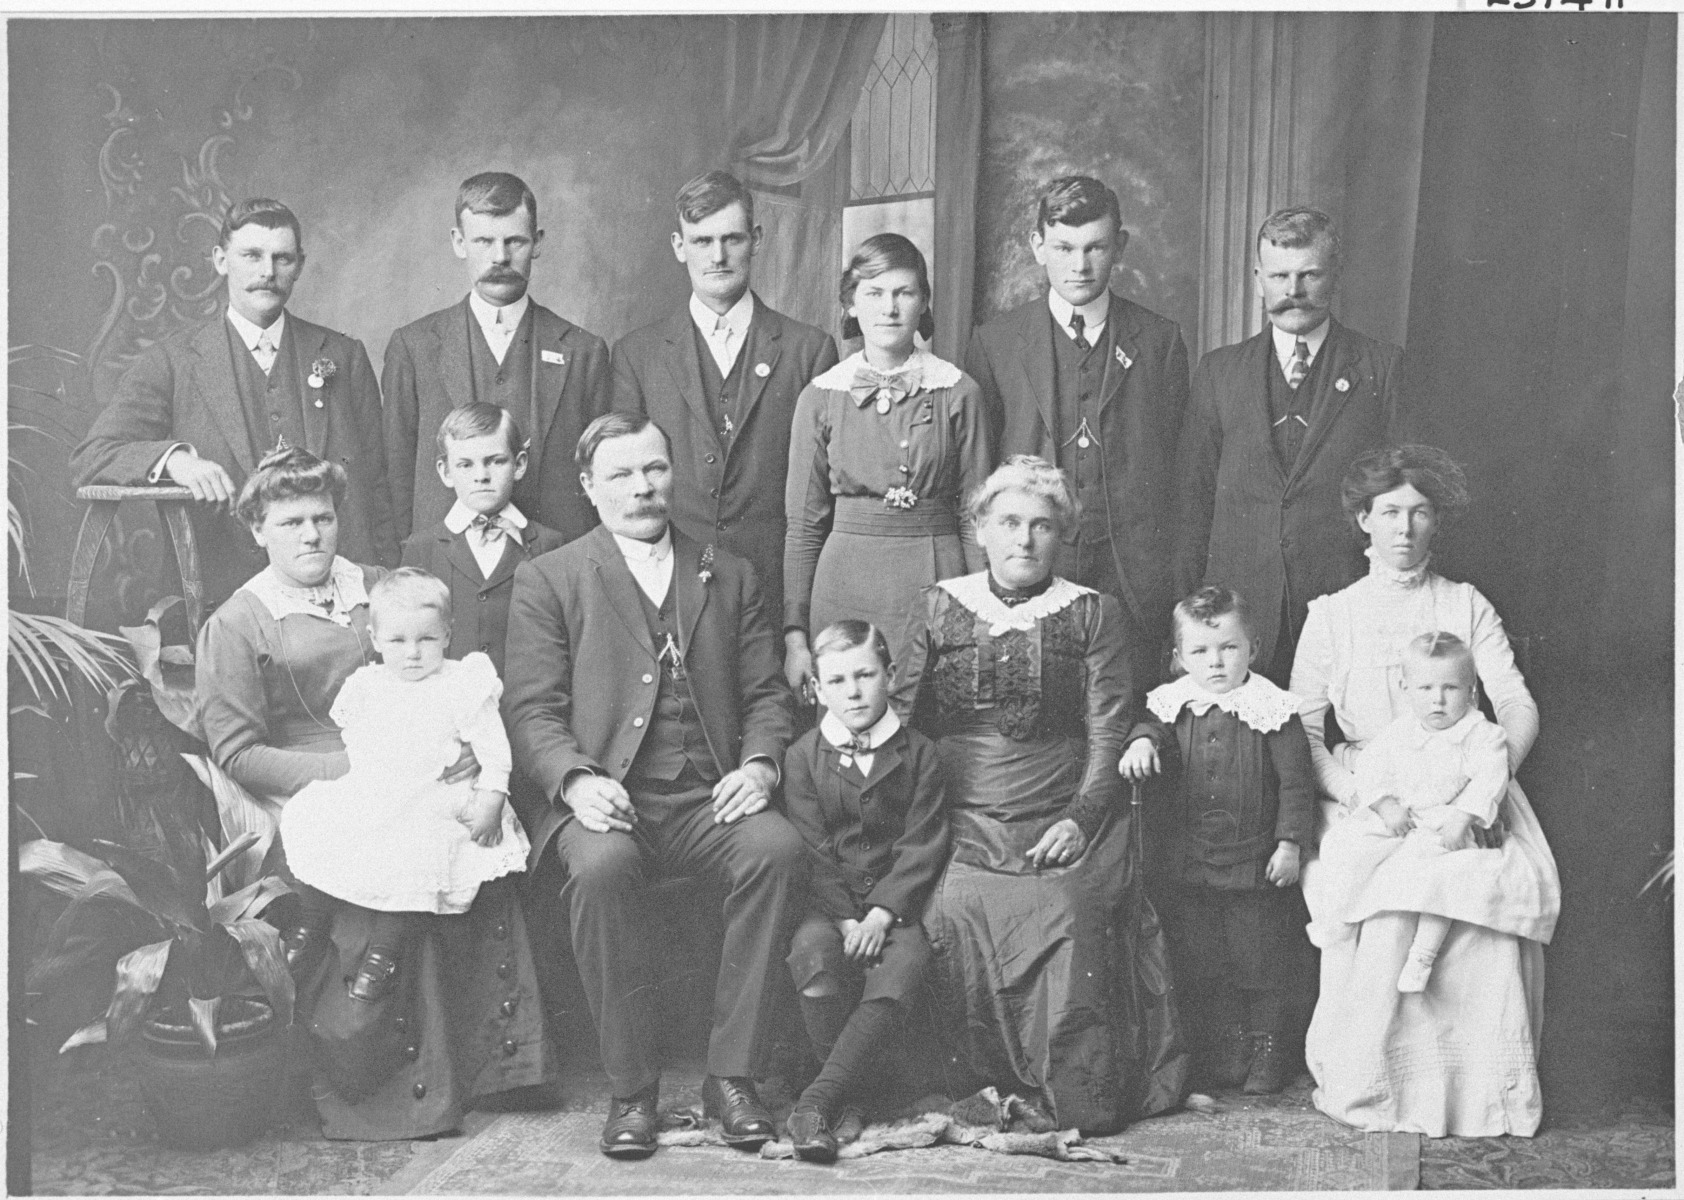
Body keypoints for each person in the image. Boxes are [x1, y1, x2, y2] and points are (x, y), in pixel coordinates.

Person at [194, 447, 554, 1140]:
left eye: (323, 517)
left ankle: (498, 1068)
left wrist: (459, 757)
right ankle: (384, 1082)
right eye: (292, 521)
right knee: (382, 848)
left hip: (419, 770)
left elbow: (442, 672)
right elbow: (238, 752)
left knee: (472, 828)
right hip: (310, 780)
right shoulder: (239, 621)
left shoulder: (382, 585)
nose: (312, 535)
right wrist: (360, 776)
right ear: (256, 530)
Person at [502, 412, 801, 1159]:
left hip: (709, 796)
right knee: (602, 869)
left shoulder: (727, 571)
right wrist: (573, 782)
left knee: (778, 850)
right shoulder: (552, 575)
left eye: (655, 470)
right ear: (588, 486)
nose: (643, 488)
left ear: (676, 473)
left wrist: (761, 764)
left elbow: (767, 694)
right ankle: (632, 1089)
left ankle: (731, 1077)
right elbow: (531, 709)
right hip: (607, 796)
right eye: (622, 475)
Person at [894, 455, 1188, 1134]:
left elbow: (1108, 728)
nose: (1024, 539)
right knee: (949, 907)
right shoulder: (939, 604)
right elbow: (906, 721)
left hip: (1063, 804)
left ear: (1064, 535)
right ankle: (974, 1078)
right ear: (980, 529)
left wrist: (1083, 820)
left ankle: (1072, 1094)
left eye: (1042, 526)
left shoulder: (1091, 612)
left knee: (1063, 909)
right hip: (957, 809)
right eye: (1009, 523)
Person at [1292, 444, 1559, 1137]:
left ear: (1437, 521)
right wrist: (1356, 796)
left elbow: (1516, 706)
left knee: (1487, 885)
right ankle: (1378, 1088)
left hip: (1468, 785)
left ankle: (1480, 1097)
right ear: (1362, 521)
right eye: (1388, 512)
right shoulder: (1333, 614)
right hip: (1366, 790)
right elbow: (1305, 730)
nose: (1403, 529)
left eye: (1418, 512)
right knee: (1379, 895)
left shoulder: (1465, 605)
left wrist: (1481, 797)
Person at [71, 198, 398, 608]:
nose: (267, 272)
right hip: (220, 599)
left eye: (282, 258)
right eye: (252, 256)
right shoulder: (173, 360)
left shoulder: (343, 356)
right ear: (221, 260)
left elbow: (379, 484)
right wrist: (176, 461)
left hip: (341, 598)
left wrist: (389, 590)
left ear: (298, 265)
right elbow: (93, 455)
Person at [965, 176, 1190, 689]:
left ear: (1120, 247)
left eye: (1095, 248)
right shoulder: (996, 342)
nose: (1080, 265)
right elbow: (978, 474)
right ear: (1038, 246)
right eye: (1064, 248)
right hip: (1032, 569)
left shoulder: (1160, 341)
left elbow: (1182, 474)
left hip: (1132, 578)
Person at [1174, 206, 1412, 683]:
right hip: (1240, 616)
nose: (1293, 291)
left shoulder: (1382, 367)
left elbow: (1405, 495)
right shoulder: (1218, 371)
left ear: (1335, 277)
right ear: (1259, 279)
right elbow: (1192, 504)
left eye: (1310, 274)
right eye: (1280, 276)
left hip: (1345, 600)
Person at [280, 568, 529, 1001]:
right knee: (314, 815)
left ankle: (384, 951)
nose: (412, 653)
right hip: (380, 789)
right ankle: (312, 921)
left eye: (427, 640)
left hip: (438, 795)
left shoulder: (462, 681)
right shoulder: (368, 685)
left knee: (416, 845)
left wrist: (492, 796)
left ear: (447, 635)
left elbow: (494, 749)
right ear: (375, 639)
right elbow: (359, 745)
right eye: (397, 641)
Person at [612, 170, 839, 623]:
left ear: (755, 240)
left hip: (773, 588)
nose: (717, 256)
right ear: (680, 246)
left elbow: (820, 496)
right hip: (671, 591)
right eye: (701, 241)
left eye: (731, 239)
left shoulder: (808, 350)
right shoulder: (637, 354)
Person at [1119, 585, 1315, 1095]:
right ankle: (1228, 1046)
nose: (1216, 663)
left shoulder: (1273, 709)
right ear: (1179, 658)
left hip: (1255, 865)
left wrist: (1289, 843)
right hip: (1192, 863)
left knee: (1260, 960)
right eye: (1200, 652)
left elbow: (1297, 783)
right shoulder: (1170, 705)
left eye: (1229, 648)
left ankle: (1269, 1048)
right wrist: (1141, 739)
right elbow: (1148, 729)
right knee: (1206, 961)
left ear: (1252, 647)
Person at [784, 233, 991, 698]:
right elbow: (802, 526)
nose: (889, 308)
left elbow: (976, 517)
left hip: (935, 574)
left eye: (904, 292)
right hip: (843, 580)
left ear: (923, 304)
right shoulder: (821, 397)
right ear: (851, 305)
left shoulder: (959, 392)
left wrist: (983, 613)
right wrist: (795, 634)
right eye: (873, 293)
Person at [782, 620, 948, 1162]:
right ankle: (844, 1099)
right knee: (813, 953)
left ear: (890, 675)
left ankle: (817, 1102)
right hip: (830, 910)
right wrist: (846, 919)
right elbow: (811, 847)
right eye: (837, 681)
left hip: (894, 913)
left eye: (865, 675)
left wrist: (880, 915)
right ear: (818, 689)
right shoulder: (803, 755)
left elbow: (923, 843)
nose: (853, 692)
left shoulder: (921, 753)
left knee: (906, 962)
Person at [382, 171, 611, 544]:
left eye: (515, 241)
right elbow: (396, 472)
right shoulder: (414, 346)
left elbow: (601, 473)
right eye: (484, 241)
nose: (500, 256)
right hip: (445, 564)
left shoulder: (584, 351)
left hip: (556, 561)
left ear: (536, 242)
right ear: (459, 242)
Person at [1312, 631, 1537, 995]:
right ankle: (1337, 918)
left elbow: (1490, 778)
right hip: (1403, 813)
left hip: (1446, 819)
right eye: (1426, 689)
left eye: (1451, 688)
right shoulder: (1400, 731)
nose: (1438, 700)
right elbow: (1371, 769)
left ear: (1471, 691)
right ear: (1407, 689)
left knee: (1442, 876)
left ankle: (1423, 955)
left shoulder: (1482, 734)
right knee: (1342, 844)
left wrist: (1463, 817)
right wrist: (1386, 807)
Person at [400, 403, 567, 678]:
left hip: (526, 706)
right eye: (465, 465)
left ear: (519, 464)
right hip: (450, 707)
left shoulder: (549, 545)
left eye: (496, 461)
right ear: (445, 472)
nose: (481, 476)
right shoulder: (422, 548)